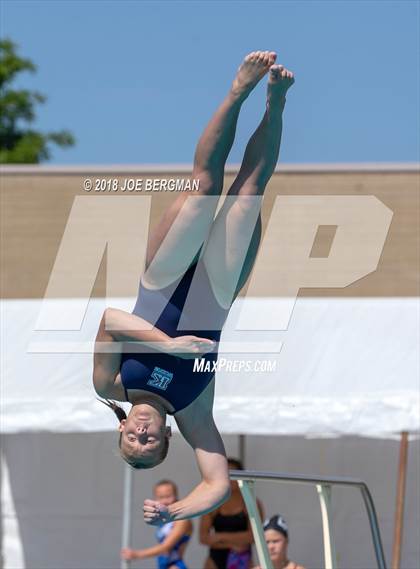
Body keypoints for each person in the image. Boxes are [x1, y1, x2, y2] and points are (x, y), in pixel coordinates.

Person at [92, 50, 295, 524]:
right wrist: (174, 512)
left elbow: (110, 321)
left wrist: (168, 345)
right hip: (216, 292)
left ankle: (237, 91)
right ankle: (275, 104)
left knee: (204, 187)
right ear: (167, 436)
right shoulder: (194, 410)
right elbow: (218, 484)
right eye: (150, 442)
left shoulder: (111, 383)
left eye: (132, 439)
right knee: (248, 193)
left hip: (163, 280)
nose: (142, 434)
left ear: (122, 428)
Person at [200, 458, 264, 569]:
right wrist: (236, 542)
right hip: (215, 560)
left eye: (233, 474)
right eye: (225, 474)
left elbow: (255, 536)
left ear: (240, 476)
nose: (229, 478)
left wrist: (219, 537)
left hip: (242, 560)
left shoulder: (251, 502)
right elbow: (204, 538)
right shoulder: (212, 502)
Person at [121, 479, 192, 569]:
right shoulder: (163, 520)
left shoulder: (182, 520)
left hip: (175, 565)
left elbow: (166, 547)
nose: (165, 501)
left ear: (176, 495)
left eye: (168, 496)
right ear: (155, 498)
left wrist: (136, 554)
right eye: (161, 497)